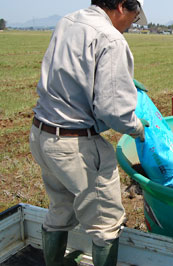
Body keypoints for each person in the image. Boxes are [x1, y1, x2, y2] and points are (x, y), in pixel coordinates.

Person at [29, 1, 148, 265]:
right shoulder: (111, 39)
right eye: (134, 16)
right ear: (120, 7)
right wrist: (139, 128)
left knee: (61, 208)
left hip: (42, 134)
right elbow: (114, 112)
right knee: (106, 224)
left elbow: (72, 75)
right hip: (74, 145)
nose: (132, 24)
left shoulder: (68, 21)